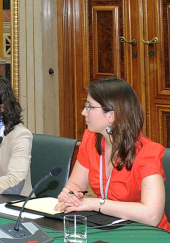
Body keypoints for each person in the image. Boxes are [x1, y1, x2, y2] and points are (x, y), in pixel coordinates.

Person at [56, 77, 170, 231]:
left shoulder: (148, 152)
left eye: (89, 106)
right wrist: (71, 195)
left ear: (111, 116)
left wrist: (96, 204)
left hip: (145, 232)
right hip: (107, 225)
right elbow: (75, 185)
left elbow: (152, 215)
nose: (83, 112)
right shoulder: (90, 139)